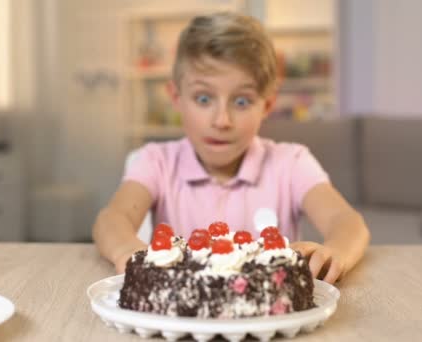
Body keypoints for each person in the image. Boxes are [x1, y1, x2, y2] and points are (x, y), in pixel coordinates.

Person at [93, 12, 369, 284]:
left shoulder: (292, 162)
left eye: (241, 102)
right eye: (203, 98)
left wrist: (335, 251)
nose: (221, 120)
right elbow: (112, 219)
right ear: (176, 98)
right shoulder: (155, 161)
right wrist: (127, 251)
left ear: (267, 105)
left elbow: (345, 221)